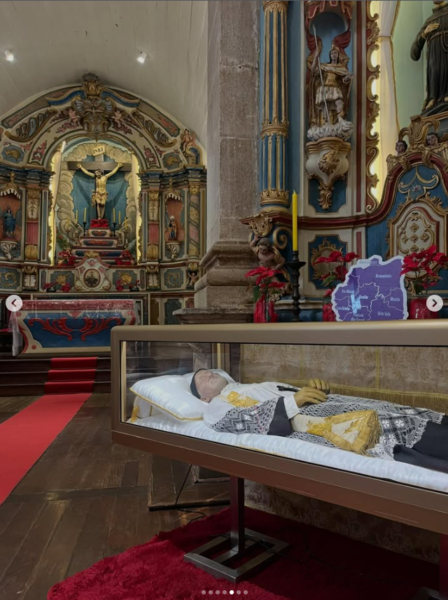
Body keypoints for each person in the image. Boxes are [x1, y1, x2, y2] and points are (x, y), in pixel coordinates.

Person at [190, 369, 448, 473]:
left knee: (397, 411)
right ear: (203, 397)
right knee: (388, 426)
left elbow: (291, 395)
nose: (208, 373)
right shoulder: (215, 406)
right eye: (202, 378)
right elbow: (240, 420)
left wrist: (312, 390)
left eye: (209, 370)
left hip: (328, 404)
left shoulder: (253, 385)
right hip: (313, 421)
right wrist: (294, 401)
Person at [411, 0, 448, 114]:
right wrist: (424, 34)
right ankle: (432, 98)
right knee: (435, 69)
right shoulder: (429, 21)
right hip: (434, 62)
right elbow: (414, 53)